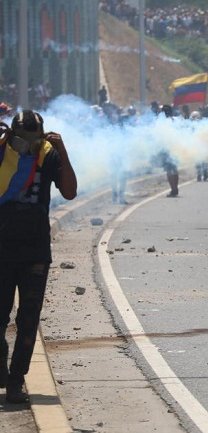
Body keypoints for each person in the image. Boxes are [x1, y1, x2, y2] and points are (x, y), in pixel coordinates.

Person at [0, 110, 77, 403]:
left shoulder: (47, 155)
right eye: (22, 140)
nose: (28, 146)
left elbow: (69, 192)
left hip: (35, 251)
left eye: (34, 140)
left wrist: (62, 151)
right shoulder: (2, 151)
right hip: (2, 249)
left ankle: (16, 380)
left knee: (28, 320)